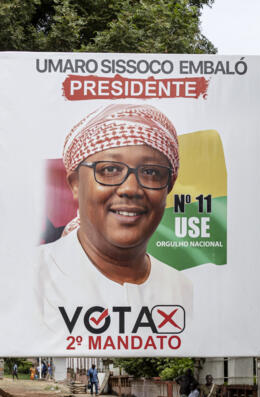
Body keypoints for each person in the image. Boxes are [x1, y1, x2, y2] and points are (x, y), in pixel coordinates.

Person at [37, 104, 192, 336]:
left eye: (151, 172)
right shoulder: (32, 278)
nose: (130, 188)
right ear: (75, 184)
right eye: (109, 169)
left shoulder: (182, 289)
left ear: (168, 188)